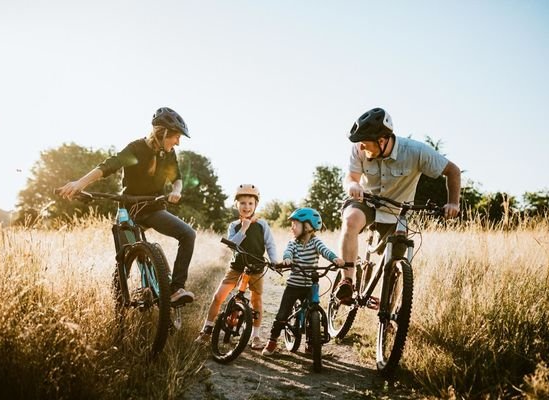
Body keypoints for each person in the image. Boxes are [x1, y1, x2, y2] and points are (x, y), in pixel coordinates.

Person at [57, 107, 196, 304]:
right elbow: (108, 166)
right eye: (175, 137)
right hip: (129, 210)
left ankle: (175, 289)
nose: (178, 142)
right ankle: (120, 304)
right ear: (162, 132)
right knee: (124, 259)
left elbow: (177, 178)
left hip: (153, 209)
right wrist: (80, 183)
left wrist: (176, 190)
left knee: (188, 234)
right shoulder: (136, 149)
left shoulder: (169, 154)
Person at [334, 107, 461, 303]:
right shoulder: (359, 149)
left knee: (395, 263)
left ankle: (389, 313)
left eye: (366, 144)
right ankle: (347, 281)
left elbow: (453, 171)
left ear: (382, 141)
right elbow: (351, 176)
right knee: (350, 220)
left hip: (397, 212)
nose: (361, 148)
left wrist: (453, 203)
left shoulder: (416, 152)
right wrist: (353, 184)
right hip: (366, 201)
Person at [195, 184, 279, 350]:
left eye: (250, 203)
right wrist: (244, 228)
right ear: (236, 205)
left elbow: (270, 244)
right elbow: (233, 245)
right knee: (219, 296)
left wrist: (274, 260)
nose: (246, 206)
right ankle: (207, 329)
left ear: (255, 205)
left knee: (256, 301)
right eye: (242, 203)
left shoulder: (262, 225)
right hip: (237, 267)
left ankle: (255, 336)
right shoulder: (233, 226)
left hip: (256, 267)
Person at [262, 207, 345, 356]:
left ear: (307, 226)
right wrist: (287, 259)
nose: (292, 227)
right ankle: (272, 340)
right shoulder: (293, 243)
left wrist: (335, 259)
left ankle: (311, 343)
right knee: (282, 314)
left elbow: (325, 251)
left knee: (314, 313)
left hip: (310, 286)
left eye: (295, 224)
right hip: (293, 285)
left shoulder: (315, 242)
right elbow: (288, 252)